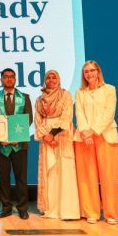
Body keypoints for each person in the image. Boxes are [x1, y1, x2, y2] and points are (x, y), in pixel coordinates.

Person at [74, 60, 118, 224]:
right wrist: (86, 133)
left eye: (92, 70)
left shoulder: (110, 89)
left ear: (98, 71)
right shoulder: (80, 92)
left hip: (105, 135)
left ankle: (111, 214)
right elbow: (79, 113)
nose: (89, 74)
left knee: (109, 177)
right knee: (87, 177)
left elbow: (109, 113)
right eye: (86, 71)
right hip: (84, 138)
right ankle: (91, 212)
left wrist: (93, 131)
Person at [0, 68, 33, 219]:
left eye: (12, 76)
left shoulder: (24, 98)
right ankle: (6, 207)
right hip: (1, 145)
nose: (9, 79)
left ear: (15, 79)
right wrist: (0, 138)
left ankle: (22, 208)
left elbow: (28, 119)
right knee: (4, 177)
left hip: (19, 145)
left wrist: (17, 137)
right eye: (5, 77)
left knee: (21, 178)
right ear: (1, 79)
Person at [34, 70, 80, 220]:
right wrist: (46, 136)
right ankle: (50, 209)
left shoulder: (65, 95)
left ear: (59, 80)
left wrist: (53, 134)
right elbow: (38, 121)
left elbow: (67, 116)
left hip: (62, 136)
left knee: (64, 171)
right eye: (48, 77)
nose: (51, 80)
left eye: (54, 77)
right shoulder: (39, 99)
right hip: (46, 139)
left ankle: (67, 210)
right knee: (50, 172)